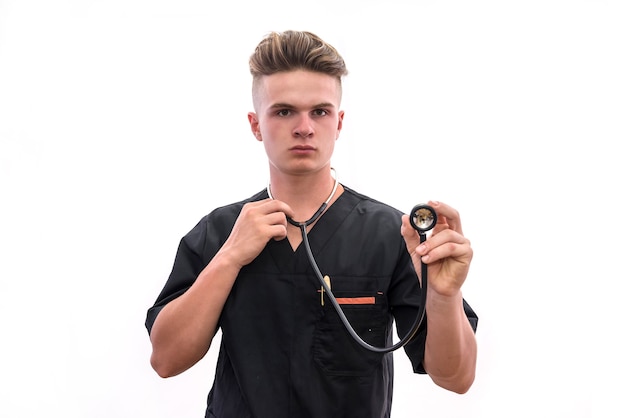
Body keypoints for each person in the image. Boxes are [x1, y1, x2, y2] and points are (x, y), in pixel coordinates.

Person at [145, 30, 478, 418]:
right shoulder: (219, 232)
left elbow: (456, 378)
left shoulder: (391, 235)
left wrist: (444, 295)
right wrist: (230, 257)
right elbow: (165, 360)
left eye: (319, 111)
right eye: (284, 111)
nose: (304, 127)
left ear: (338, 123)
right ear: (256, 125)